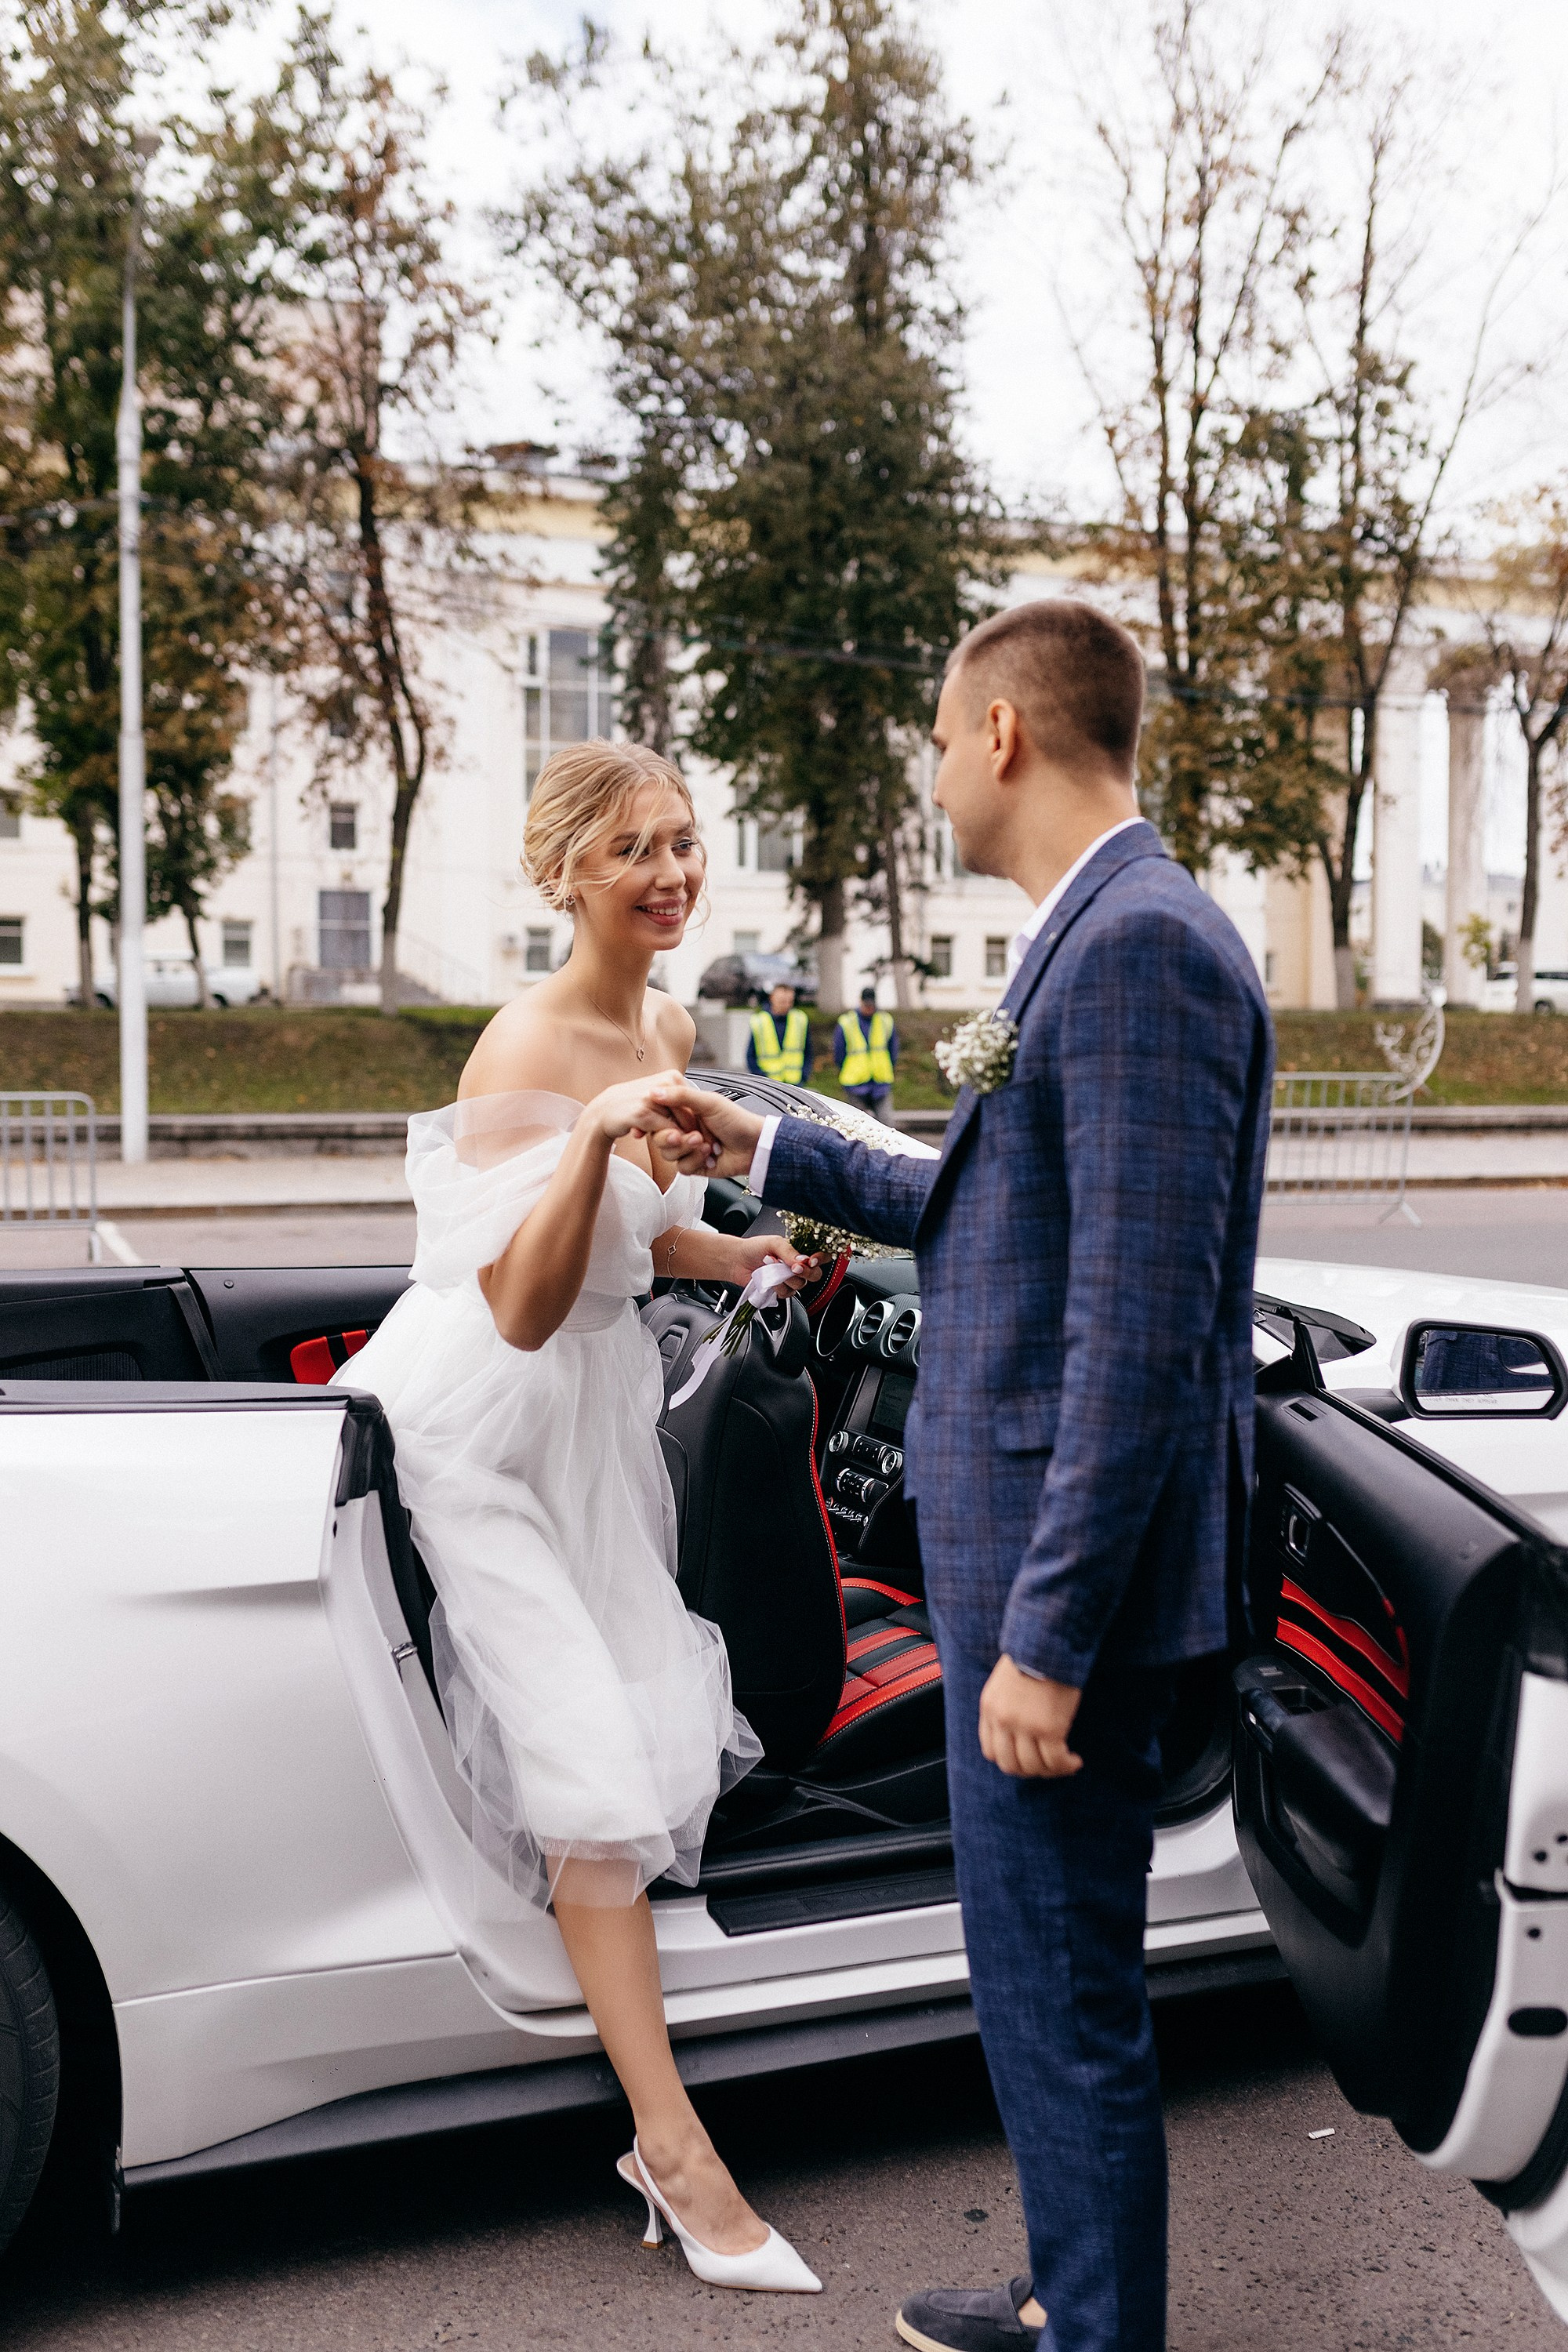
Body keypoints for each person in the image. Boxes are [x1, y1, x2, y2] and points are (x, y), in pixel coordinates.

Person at [650, 600, 1273, 2352]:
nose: (930, 771)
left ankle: (1094, 2332)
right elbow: (993, 1213)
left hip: (1061, 1597)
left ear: (1002, 732)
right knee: (1034, 1973)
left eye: (933, 735)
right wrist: (771, 1143)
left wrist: (1051, 1639)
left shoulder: (1141, 947)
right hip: (1021, 1571)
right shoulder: (1093, 937)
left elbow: (1145, 1339)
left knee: (1064, 1984)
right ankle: (1070, 2286)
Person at [339, 741, 822, 2296]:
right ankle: (675, 2150)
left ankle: (659, 2127)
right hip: (485, 1429)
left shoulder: (671, 1017)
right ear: (565, 876)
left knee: (637, 1730)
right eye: (636, 850)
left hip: (598, 1438)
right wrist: (600, 1128)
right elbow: (529, 1305)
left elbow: (641, 1244)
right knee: (594, 1778)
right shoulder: (519, 1052)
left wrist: (737, 1261)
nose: (673, 874)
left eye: (685, 840)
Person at [834, 985, 899, 1121]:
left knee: (886, 1124)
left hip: (881, 1082)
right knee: (857, 1126)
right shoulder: (847, 1022)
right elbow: (839, 1053)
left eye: (872, 1005)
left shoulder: (885, 1020)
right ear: (861, 1002)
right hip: (855, 1083)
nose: (869, 1008)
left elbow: (893, 1050)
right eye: (867, 1005)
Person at [746, 978, 814, 1083]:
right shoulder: (760, 1021)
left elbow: (808, 1051)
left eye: (790, 1001)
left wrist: (804, 1075)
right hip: (768, 1083)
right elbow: (751, 1055)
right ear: (772, 998)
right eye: (782, 1001)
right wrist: (760, 1077)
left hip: (795, 1083)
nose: (786, 1005)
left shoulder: (800, 1019)